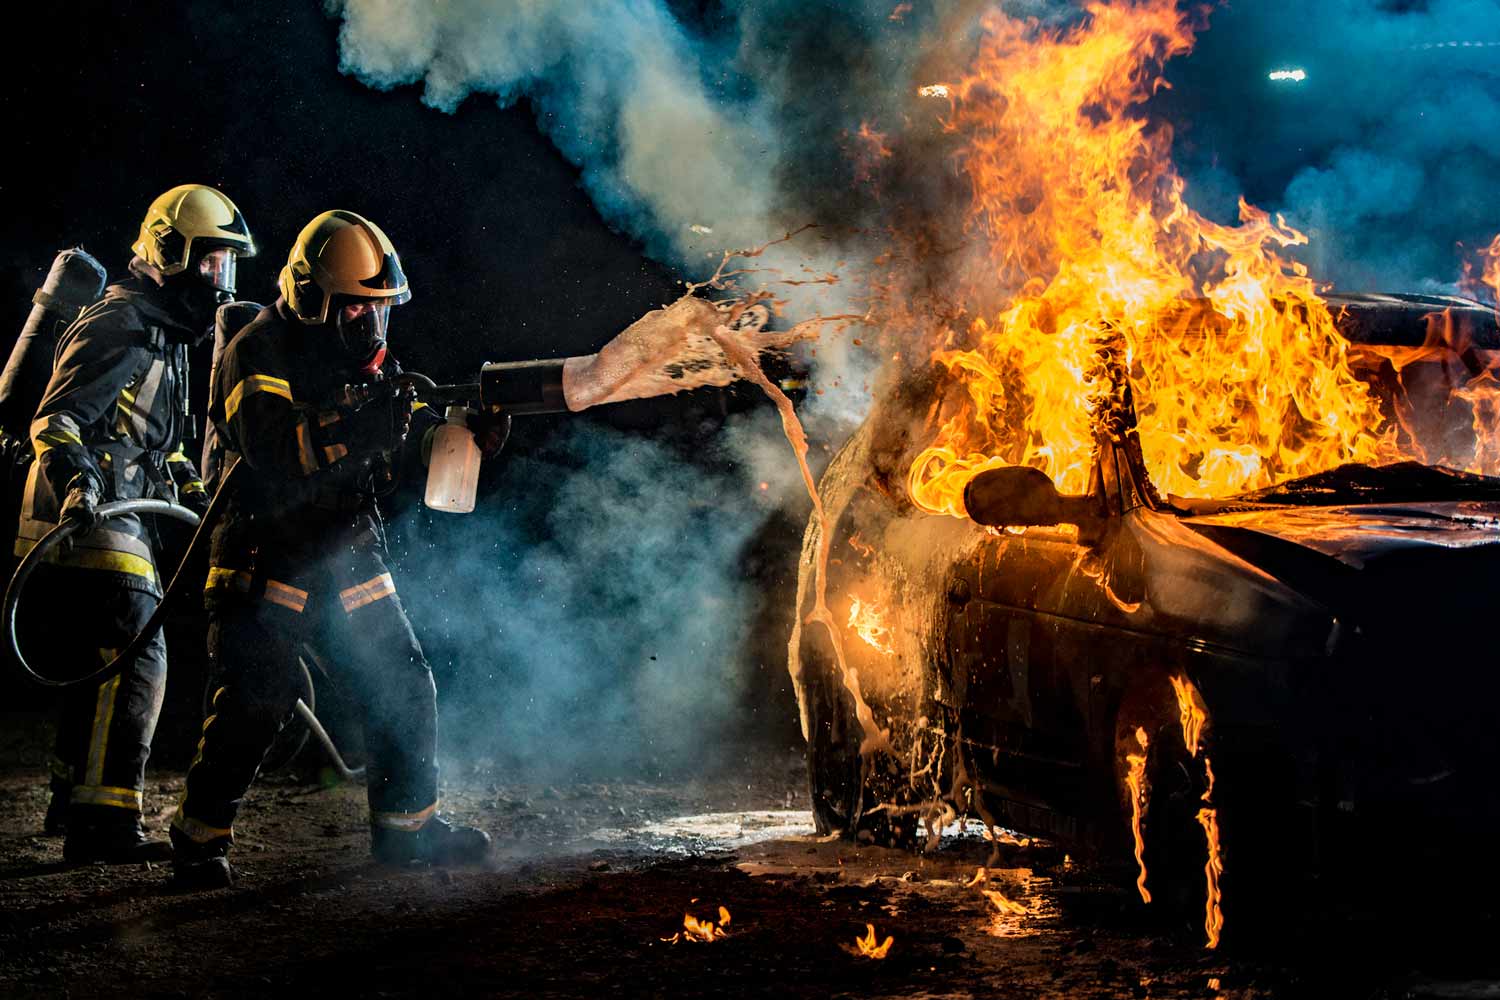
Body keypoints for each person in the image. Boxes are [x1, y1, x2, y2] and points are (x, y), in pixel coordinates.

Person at [171, 209, 506, 889]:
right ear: (308, 297)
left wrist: (462, 443)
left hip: (348, 548)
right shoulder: (257, 350)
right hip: (268, 555)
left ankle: (408, 833)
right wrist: (358, 426)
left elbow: (404, 454)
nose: (371, 328)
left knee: (403, 682)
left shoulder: (373, 369)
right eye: (356, 311)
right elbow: (271, 449)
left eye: (380, 311)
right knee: (255, 701)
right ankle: (199, 841)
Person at [17, 184, 255, 861]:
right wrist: (82, 487)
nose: (219, 281)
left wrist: (190, 484)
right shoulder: (117, 321)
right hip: (87, 517)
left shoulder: (166, 334)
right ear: (171, 252)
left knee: (103, 661)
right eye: (212, 263)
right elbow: (55, 419)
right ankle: (104, 825)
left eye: (227, 267)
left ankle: (73, 801)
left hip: (120, 516)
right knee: (135, 654)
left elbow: (161, 439)